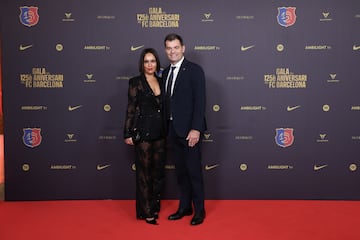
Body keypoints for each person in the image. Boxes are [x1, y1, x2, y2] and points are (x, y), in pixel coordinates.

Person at [162, 33, 207, 225]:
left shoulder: (195, 70)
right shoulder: (164, 73)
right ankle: (185, 207)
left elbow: (200, 102)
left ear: (183, 48)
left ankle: (200, 211)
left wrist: (196, 129)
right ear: (166, 50)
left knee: (193, 172)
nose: (172, 51)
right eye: (169, 48)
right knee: (180, 172)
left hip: (190, 132)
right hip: (172, 130)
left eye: (176, 47)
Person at [123, 48, 166, 225]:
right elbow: (131, 109)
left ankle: (155, 206)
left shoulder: (163, 81)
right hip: (143, 133)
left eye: (153, 61)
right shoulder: (135, 82)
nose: (150, 65)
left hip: (161, 132)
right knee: (144, 173)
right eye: (146, 61)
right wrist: (128, 133)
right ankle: (146, 211)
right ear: (142, 63)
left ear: (157, 63)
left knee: (157, 173)